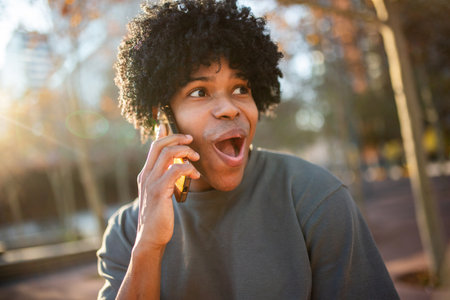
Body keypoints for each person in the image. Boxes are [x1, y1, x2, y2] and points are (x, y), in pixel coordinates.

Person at [97, 0, 399, 299]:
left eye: (241, 88)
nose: (229, 108)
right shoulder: (127, 231)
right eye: (199, 92)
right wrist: (148, 246)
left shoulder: (314, 197)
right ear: (161, 116)